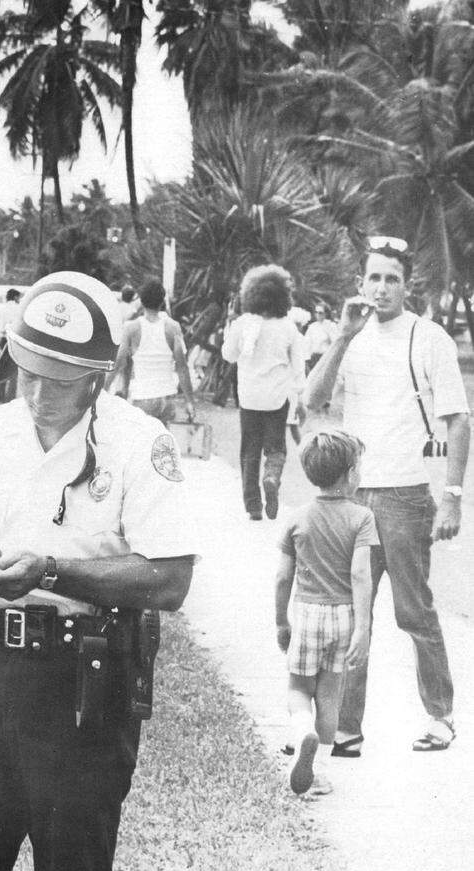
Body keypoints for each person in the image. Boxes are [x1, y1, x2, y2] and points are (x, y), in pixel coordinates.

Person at [0, 271, 197, 871]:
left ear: (100, 377)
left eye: (61, 381)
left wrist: (49, 572)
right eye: (29, 372)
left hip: (88, 685)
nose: (39, 394)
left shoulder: (138, 443)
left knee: (73, 856)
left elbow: (169, 578)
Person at [304, 235, 470, 755]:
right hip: (351, 499)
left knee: (413, 611)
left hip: (405, 496)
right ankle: (344, 730)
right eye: (373, 277)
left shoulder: (430, 337)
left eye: (391, 278)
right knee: (349, 615)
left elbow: (458, 418)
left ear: (407, 284)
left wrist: (452, 495)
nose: (381, 288)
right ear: (360, 284)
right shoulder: (350, 339)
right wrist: (341, 337)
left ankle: (439, 717)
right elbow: (312, 400)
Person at [275, 430, 377, 796]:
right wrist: (363, 628)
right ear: (350, 474)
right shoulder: (362, 518)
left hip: (307, 613)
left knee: (299, 688)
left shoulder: (296, 517)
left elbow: (283, 577)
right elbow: (361, 574)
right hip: (343, 616)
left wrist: (280, 621)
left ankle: (302, 729)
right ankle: (317, 771)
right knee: (331, 696)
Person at [222, 265, 307, 521]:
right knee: (276, 447)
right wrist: (298, 396)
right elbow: (298, 367)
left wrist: (231, 329)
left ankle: (253, 506)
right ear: (284, 296)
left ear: (251, 294)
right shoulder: (289, 327)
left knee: (249, 451)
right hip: (277, 399)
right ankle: (271, 476)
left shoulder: (242, 324)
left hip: (249, 398)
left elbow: (228, 355)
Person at [106, 279, 196, 424]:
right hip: (167, 398)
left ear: (141, 301)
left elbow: (118, 363)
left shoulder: (131, 328)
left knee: (141, 444)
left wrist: (102, 391)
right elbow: (182, 367)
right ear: (162, 302)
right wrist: (189, 402)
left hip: (142, 397)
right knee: (164, 445)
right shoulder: (173, 328)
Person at [0, 287, 23, 402]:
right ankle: (11, 398)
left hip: (3, 340)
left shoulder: (1, 309)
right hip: (14, 341)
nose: (20, 299)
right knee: (13, 371)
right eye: (19, 297)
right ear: (15, 297)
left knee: (2, 367)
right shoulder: (19, 309)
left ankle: (1, 397)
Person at [304, 302, 339, 375]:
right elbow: (307, 344)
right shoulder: (312, 327)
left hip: (325, 359)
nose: (318, 315)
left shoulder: (331, 326)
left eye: (320, 313)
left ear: (326, 314)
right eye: (316, 312)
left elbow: (335, 343)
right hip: (313, 359)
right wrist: (306, 359)